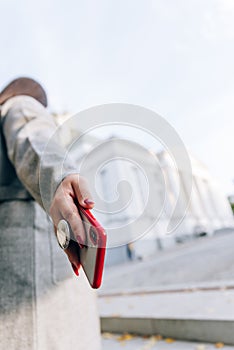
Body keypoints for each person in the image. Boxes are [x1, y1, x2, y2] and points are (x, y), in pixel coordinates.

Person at [0, 77, 102, 350]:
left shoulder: (15, 110)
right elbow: (35, 138)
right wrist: (58, 179)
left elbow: (34, 140)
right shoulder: (19, 105)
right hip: (33, 281)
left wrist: (57, 179)